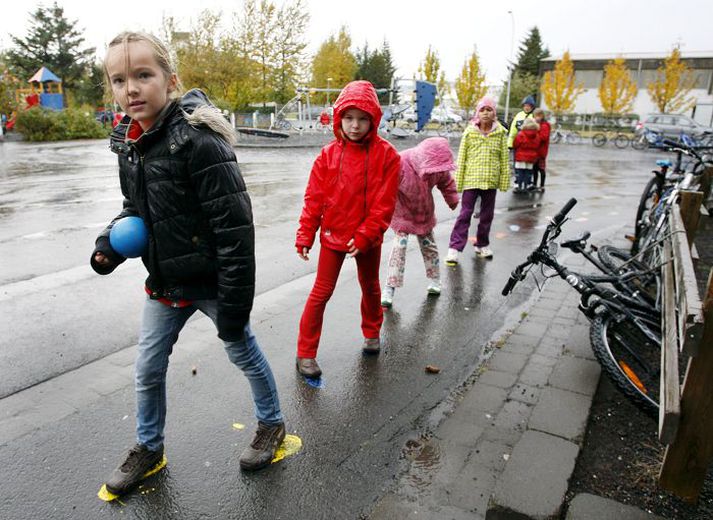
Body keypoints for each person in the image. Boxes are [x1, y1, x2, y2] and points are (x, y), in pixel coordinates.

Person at [91, 32, 285, 496]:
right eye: (119, 80)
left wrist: (235, 306)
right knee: (147, 367)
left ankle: (272, 422)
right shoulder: (130, 143)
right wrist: (110, 245)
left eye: (143, 75)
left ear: (169, 80)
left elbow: (235, 229)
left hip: (213, 281)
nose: (131, 88)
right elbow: (134, 207)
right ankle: (148, 446)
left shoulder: (199, 141)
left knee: (242, 349)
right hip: (166, 281)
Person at [295, 80, 400, 377]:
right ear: (339, 117)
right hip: (333, 234)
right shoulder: (328, 155)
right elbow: (314, 198)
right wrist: (306, 234)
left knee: (370, 286)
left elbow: (385, 203)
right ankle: (305, 353)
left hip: (367, 237)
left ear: (374, 120)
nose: (355, 126)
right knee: (321, 292)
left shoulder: (387, 156)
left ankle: (371, 332)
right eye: (349, 117)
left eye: (363, 118)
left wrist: (366, 235)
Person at [381, 137, 459, 308]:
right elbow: (385, 188)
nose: (434, 173)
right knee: (398, 249)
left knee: (428, 246)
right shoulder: (401, 163)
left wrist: (452, 199)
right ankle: (389, 287)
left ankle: (435, 280)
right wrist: (380, 211)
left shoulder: (438, 168)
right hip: (402, 213)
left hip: (424, 212)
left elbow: (447, 182)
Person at [445, 97, 510, 264]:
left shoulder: (501, 133)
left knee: (486, 215)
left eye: (489, 110)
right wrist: (457, 182)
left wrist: (504, 180)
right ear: (477, 113)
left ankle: (482, 244)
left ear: (494, 113)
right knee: (465, 214)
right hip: (472, 179)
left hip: (490, 180)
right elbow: (462, 157)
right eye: (482, 110)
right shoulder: (470, 132)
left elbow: (504, 158)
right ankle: (454, 248)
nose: (486, 113)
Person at [513, 118, 541, 192]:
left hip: (520, 156)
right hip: (531, 157)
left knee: (520, 172)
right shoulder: (537, 135)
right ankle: (526, 186)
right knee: (528, 172)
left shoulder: (521, 134)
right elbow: (538, 145)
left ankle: (519, 186)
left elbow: (515, 144)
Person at [531, 108, 551, 192]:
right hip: (535, 151)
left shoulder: (544, 125)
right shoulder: (536, 124)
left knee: (541, 169)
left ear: (542, 116)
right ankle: (534, 184)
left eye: (539, 116)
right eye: (535, 116)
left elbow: (544, 137)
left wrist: (536, 132)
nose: (537, 117)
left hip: (541, 151)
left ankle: (542, 185)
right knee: (534, 169)